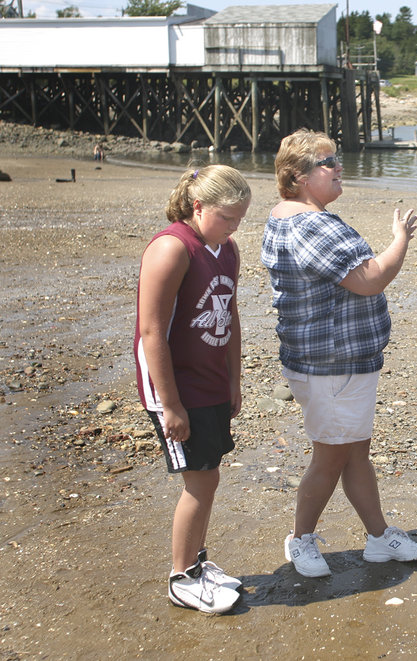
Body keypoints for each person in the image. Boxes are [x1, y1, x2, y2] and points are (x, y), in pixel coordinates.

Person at [261, 128, 417, 577]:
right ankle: (300, 540)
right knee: (333, 454)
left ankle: (379, 538)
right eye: (327, 162)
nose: (339, 167)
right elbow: (369, 279)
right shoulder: (309, 223)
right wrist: (401, 238)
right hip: (330, 364)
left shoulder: (286, 216)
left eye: (337, 159)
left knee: (355, 451)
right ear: (299, 177)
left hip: (336, 361)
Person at [134, 165, 251, 612]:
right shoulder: (171, 249)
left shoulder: (227, 249)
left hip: (211, 381)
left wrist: (234, 379)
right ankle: (181, 578)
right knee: (199, 482)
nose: (233, 226)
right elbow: (151, 333)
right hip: (177, 386)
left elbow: (231, 316)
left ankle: (198, 563)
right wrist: (171, 406)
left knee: (210, 472)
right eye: (226, 217)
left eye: (240, 218)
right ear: (197, 205)